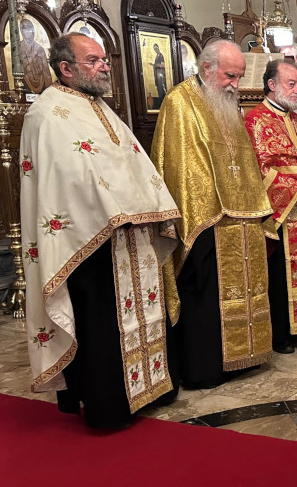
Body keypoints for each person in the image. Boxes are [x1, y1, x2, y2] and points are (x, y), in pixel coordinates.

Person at [20, 33, 180, 429]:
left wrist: (149, 208)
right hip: (87, 243)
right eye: (93, 61)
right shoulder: (45, 113)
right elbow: (63, 183)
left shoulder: (102, 108)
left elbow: (133, 166)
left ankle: (152, 386)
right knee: (101, 323)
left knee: (139, 312)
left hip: (131, 235)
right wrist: (112, 212)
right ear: (66, 68)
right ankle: (110, 405)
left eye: (104, 59)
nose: (104, 66)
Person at [150, 39, 274, 389]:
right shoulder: (180, 102)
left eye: (238, 76)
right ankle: (207, 366)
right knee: (205, 293)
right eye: (229, 75)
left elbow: (242, 163)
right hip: (207, 222)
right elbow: (181, 167)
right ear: (206, 68)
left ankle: (243, 359)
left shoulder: (229, 106)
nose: (235, 84)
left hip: (242, 218)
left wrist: (253, 206)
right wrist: (210, 213)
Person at [245, 60, 297, 353]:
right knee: (281, 274)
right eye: (291, 85)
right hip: (282, 214)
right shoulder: (255, 120)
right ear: (272, 85)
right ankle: (284, 334)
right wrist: (296, 190)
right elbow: (258, 169)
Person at [20, 18, 51, 94]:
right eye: (24, 29)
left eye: (29, 29)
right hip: (25, 82)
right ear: (21, 32)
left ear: (33, 31)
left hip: (41, 82)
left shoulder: (39, 49)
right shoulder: (18, 47)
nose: (27, 32)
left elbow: (45, 70)